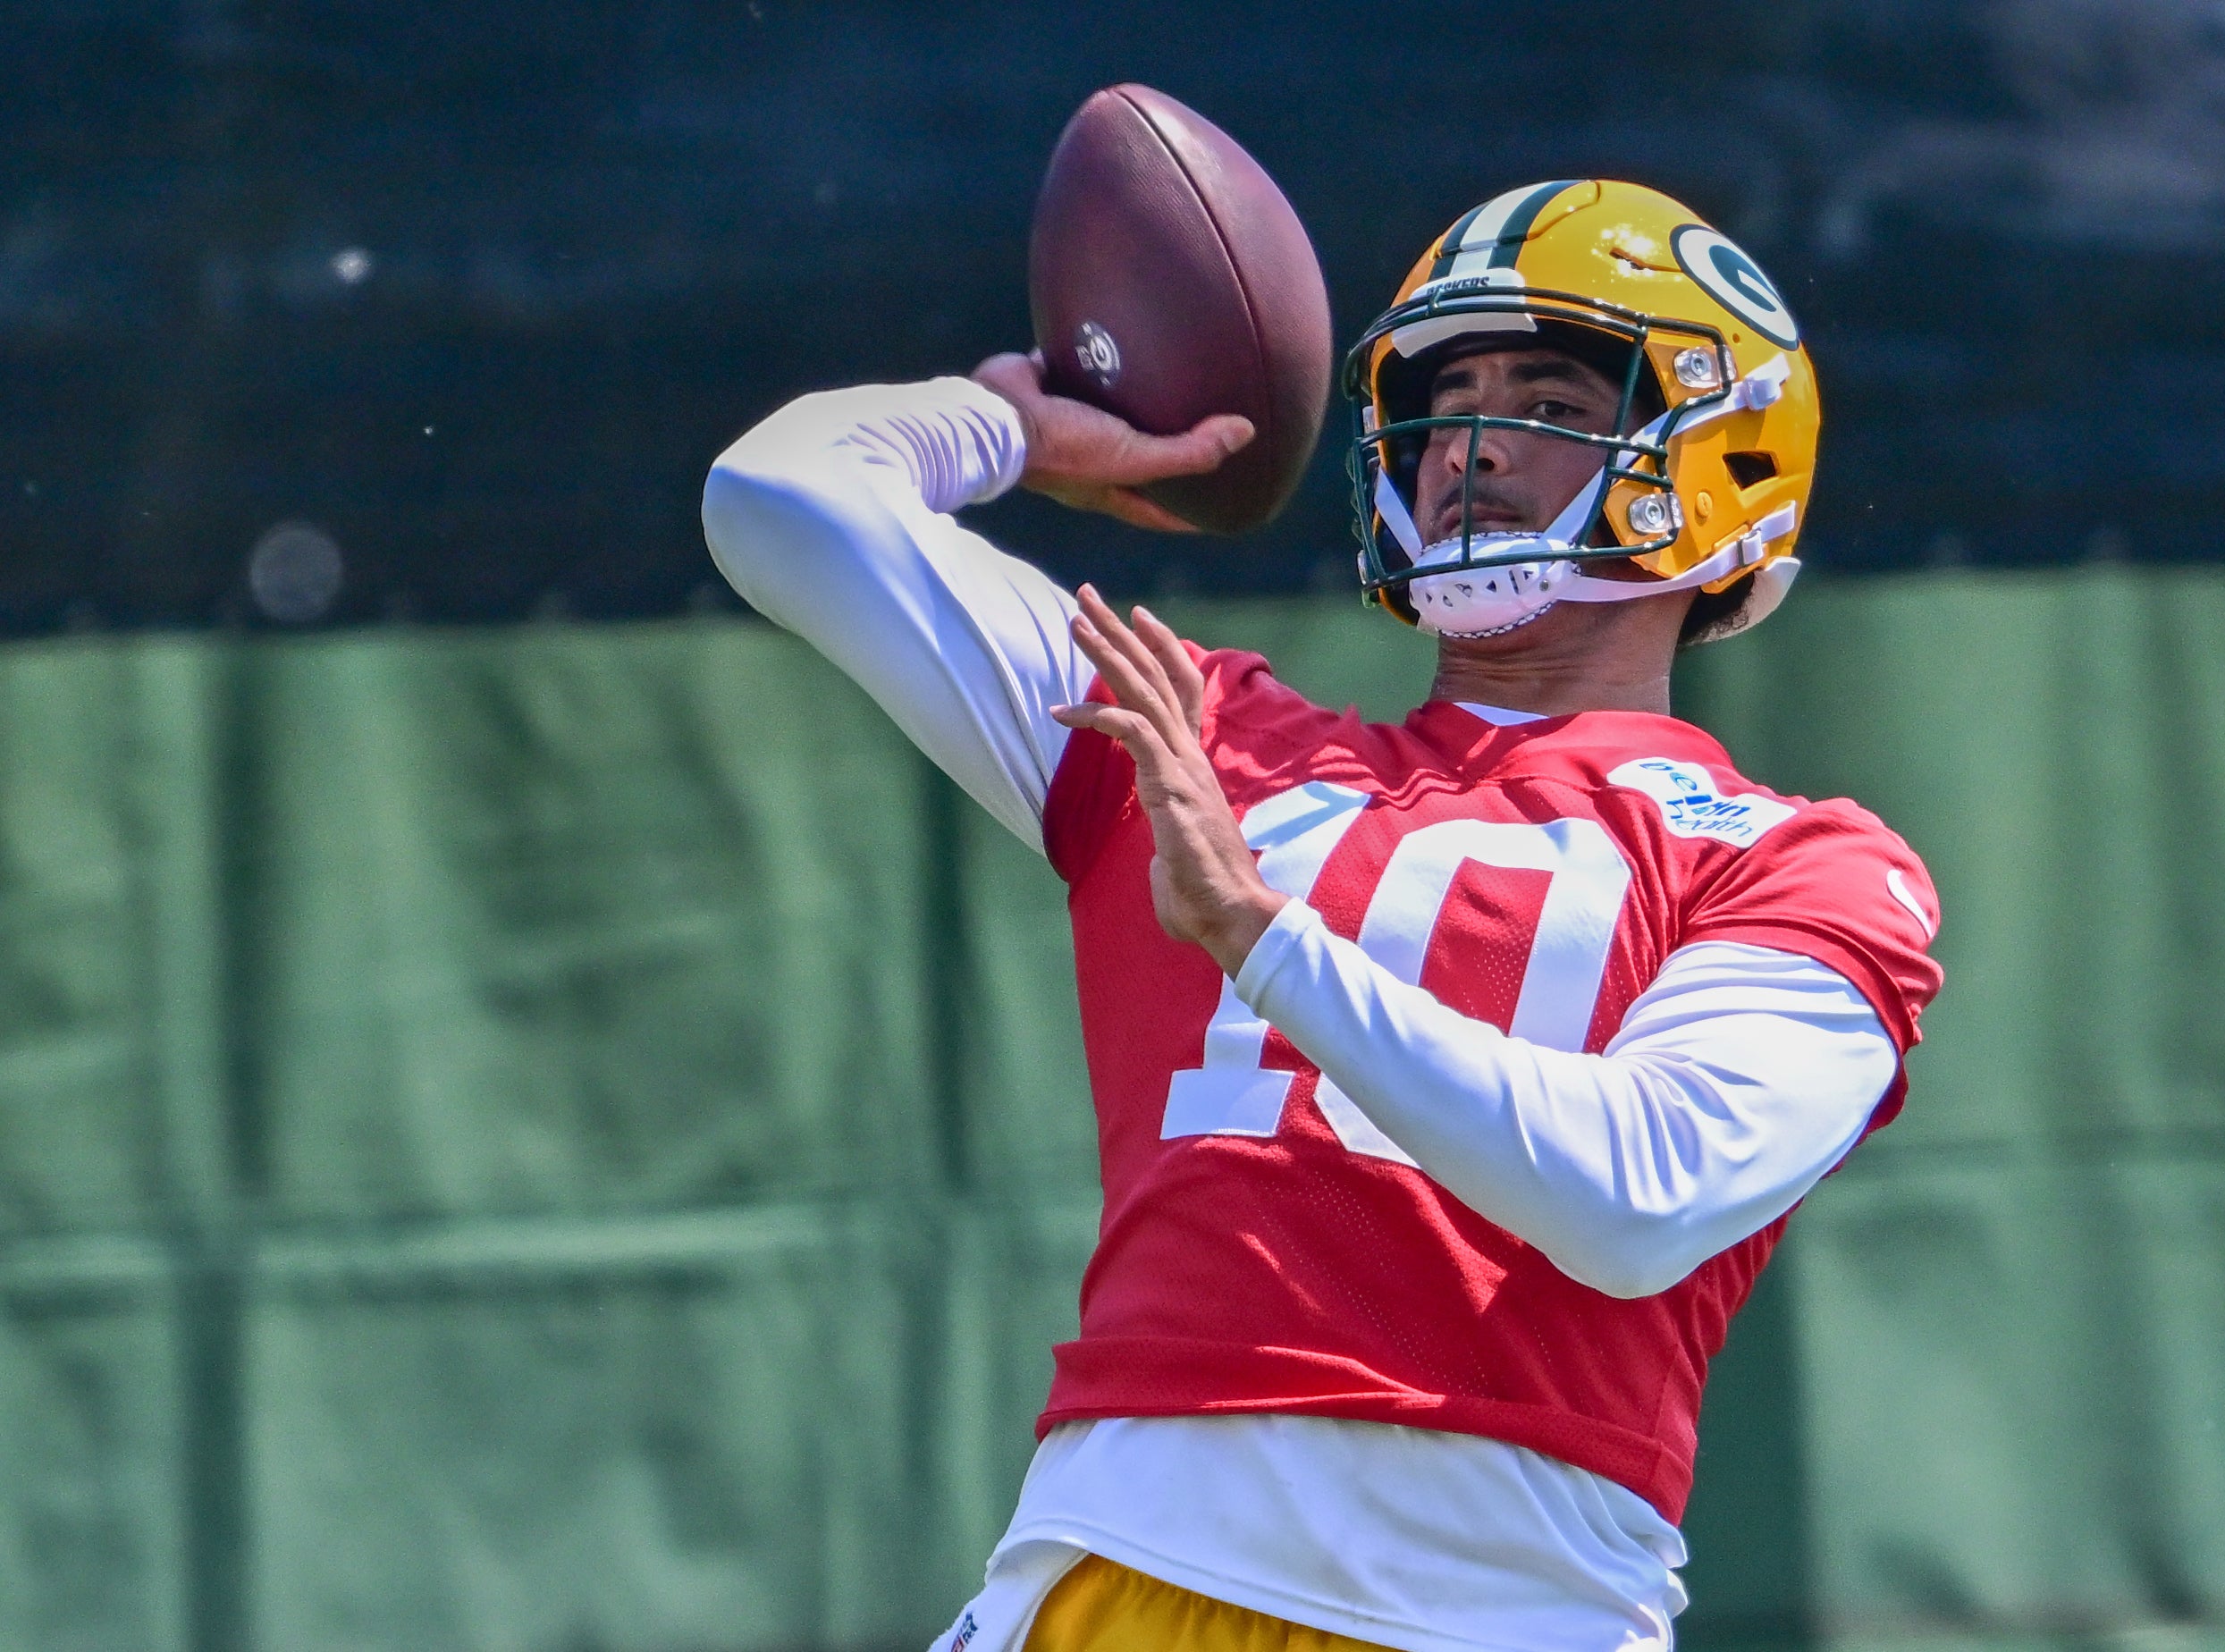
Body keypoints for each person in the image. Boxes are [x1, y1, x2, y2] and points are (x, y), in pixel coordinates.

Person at [703, 179, 1943, 1652]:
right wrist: (1020, 433)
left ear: (1724, 454)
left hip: (1492, 1613)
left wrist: (1264, 939)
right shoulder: (1202, 736)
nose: (1469, 444)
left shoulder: (1800, 857)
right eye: (1443, 397)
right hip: (1112, 1563)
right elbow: (781, 497)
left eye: (1545, 394)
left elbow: (1639, 1194)